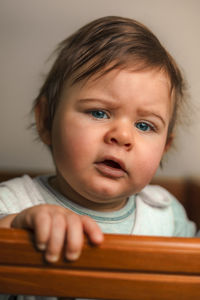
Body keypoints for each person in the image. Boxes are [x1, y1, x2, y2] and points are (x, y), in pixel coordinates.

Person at [0, 15, 196, 299]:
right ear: (46, 121)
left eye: (144, 125)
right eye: (99, 112)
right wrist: (17, 225)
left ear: (164, 147)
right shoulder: (15, 201)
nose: (122, 136)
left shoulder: (166, 216)